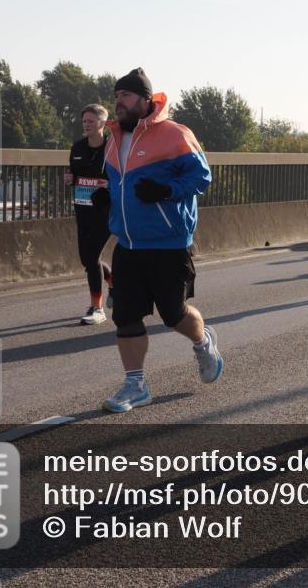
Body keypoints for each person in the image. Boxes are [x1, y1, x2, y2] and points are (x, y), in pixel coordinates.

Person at [100, 68, 223, 413]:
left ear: (144, 99)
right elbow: (117, 184)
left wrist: (167, 190)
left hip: (168, 243)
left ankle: (202, 342)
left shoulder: (174, 133)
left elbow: (202, 177)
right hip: (128, 243)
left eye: (125, 96)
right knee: (125, 316)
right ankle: (135, 385)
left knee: (173, 314)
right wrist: (104, 198)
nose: (119, 103)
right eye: (116, 96)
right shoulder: (113, 138)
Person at [64, 104, 115, 325]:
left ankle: (97, 308)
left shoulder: (113, 148)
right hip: (82, 207)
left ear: (103, 123)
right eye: (84, 121)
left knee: (92, 256)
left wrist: (109, 183)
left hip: (105, 210)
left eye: (91, 121)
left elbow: (125, 176)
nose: (86, 125)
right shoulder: (77, 148)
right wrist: (69, 180)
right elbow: (73, 174)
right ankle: (113, 282)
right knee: (87, 259)